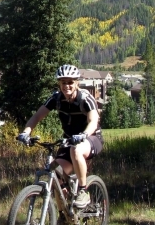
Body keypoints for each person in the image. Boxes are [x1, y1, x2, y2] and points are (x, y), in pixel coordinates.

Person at [17, 64, 103, 208]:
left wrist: (84, 134)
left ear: (77, 83)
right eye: (63, 82)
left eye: (70, 82)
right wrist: (26, 132)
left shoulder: (85, 99)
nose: (67, 86)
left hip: (91, 138)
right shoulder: (56, 99)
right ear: (59, 84)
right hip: (69, 140)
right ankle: (64, 216)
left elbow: (94, 121)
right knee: (55, 174)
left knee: (76, 150)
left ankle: (83, 190)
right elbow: (37, 116)